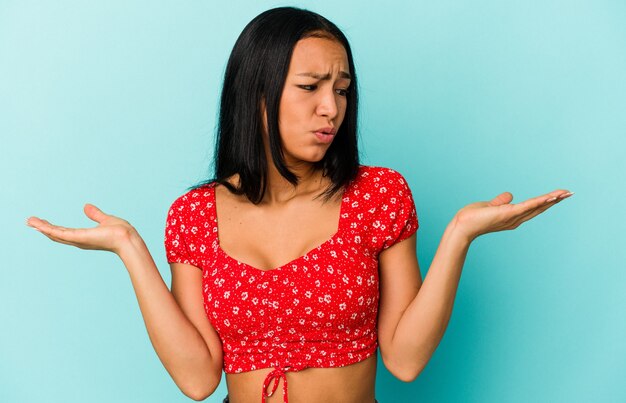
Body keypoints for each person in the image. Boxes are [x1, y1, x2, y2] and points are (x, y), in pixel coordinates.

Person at [26, 6, 573, 403]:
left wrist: (459, 235)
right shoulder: (195, 215)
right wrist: (129, 247)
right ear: (257, 94)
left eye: (341, 89)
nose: (330, 108)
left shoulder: (378, 195)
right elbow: (198, 380)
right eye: (310, 86)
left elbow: (405, 362)